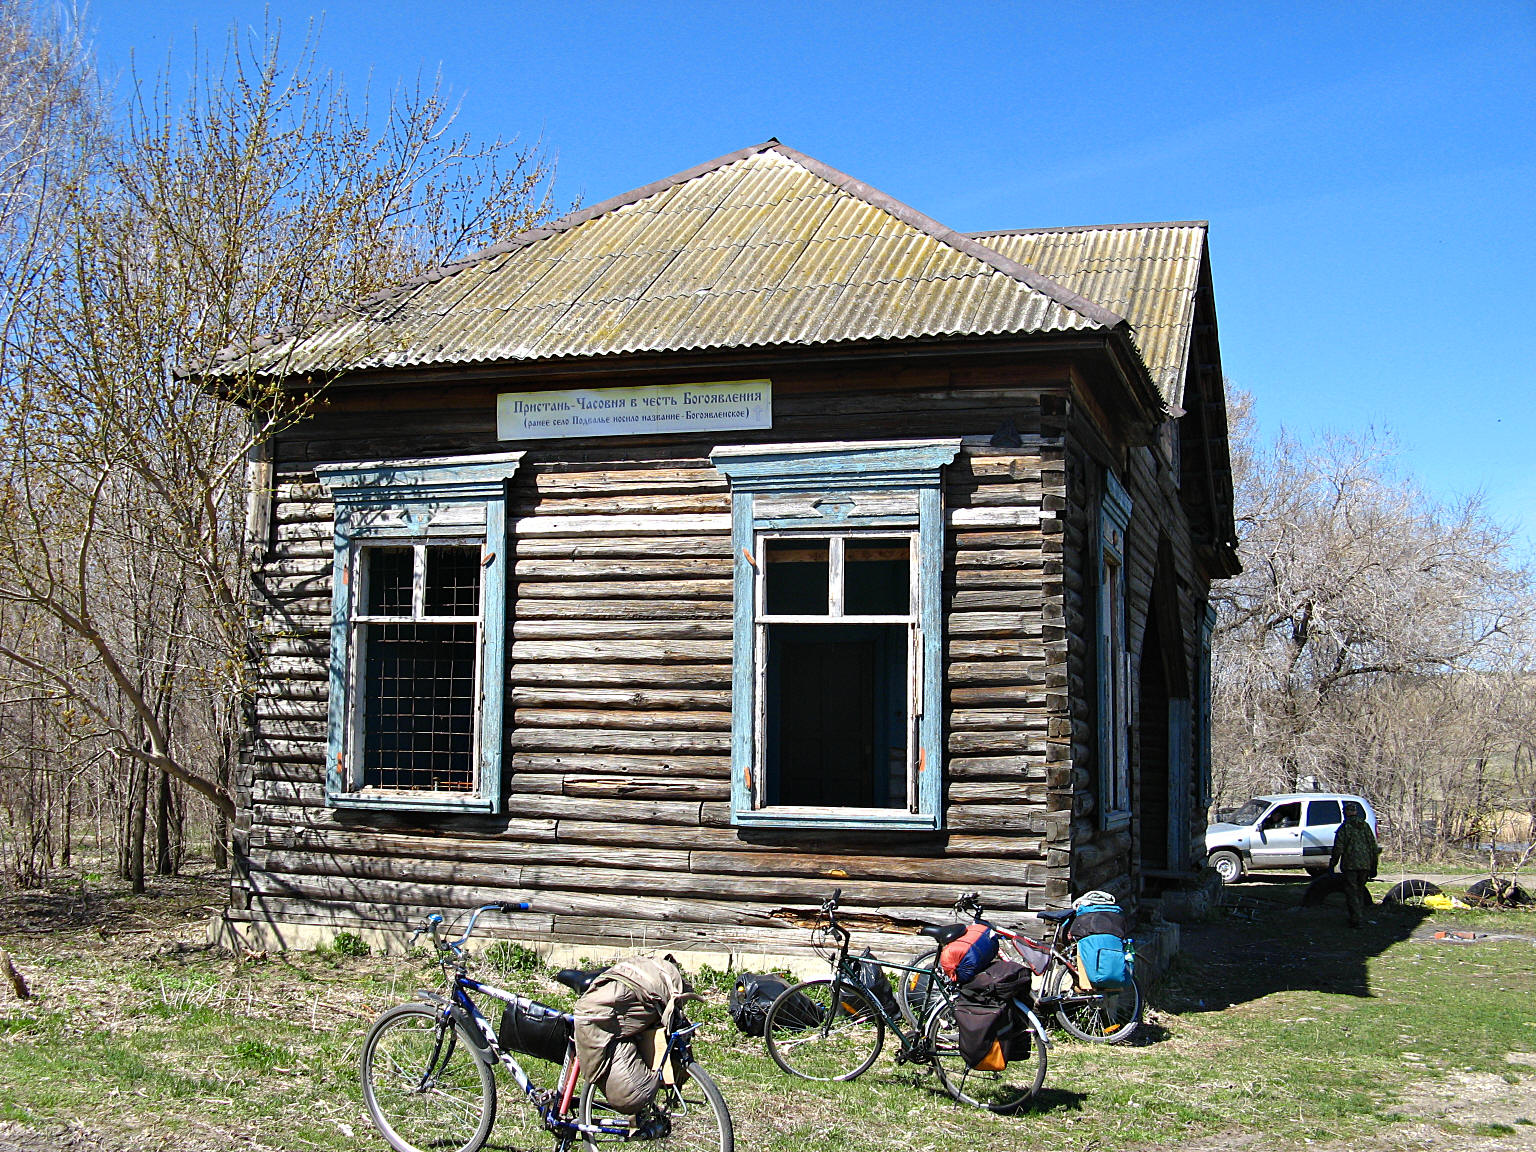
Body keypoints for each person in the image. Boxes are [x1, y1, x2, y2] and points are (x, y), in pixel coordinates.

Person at [1329, 803, 1380, 928]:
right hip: (1365, 865)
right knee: (1360, 891)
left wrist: (1332, 864)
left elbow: (1338, 848)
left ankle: (1356, 919)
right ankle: (1359, 916)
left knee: (1351, 892)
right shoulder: (1365, 826)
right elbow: (1373, 847)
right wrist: (1374, 865)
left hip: (1350, 865)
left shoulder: (1344, 828)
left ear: (1345, 813)